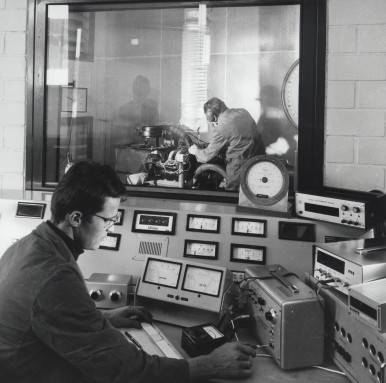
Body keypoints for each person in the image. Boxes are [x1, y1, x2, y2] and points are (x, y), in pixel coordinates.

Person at [0, 161, 256, 383]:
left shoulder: (28, 246)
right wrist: (209, 364)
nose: (111, 228)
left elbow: (50, 321)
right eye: (108, 220)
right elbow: (126, 370)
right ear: (76, 218)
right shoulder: (55, 275)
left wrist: (104, 319)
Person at [188, 97, 265, 191]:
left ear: (212, 115)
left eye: (212, 121)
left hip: (238, 168)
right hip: (258, 162)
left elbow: (206, 156)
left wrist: (195, 151)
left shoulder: (221, 126)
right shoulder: (243, 112)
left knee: (232, 197)